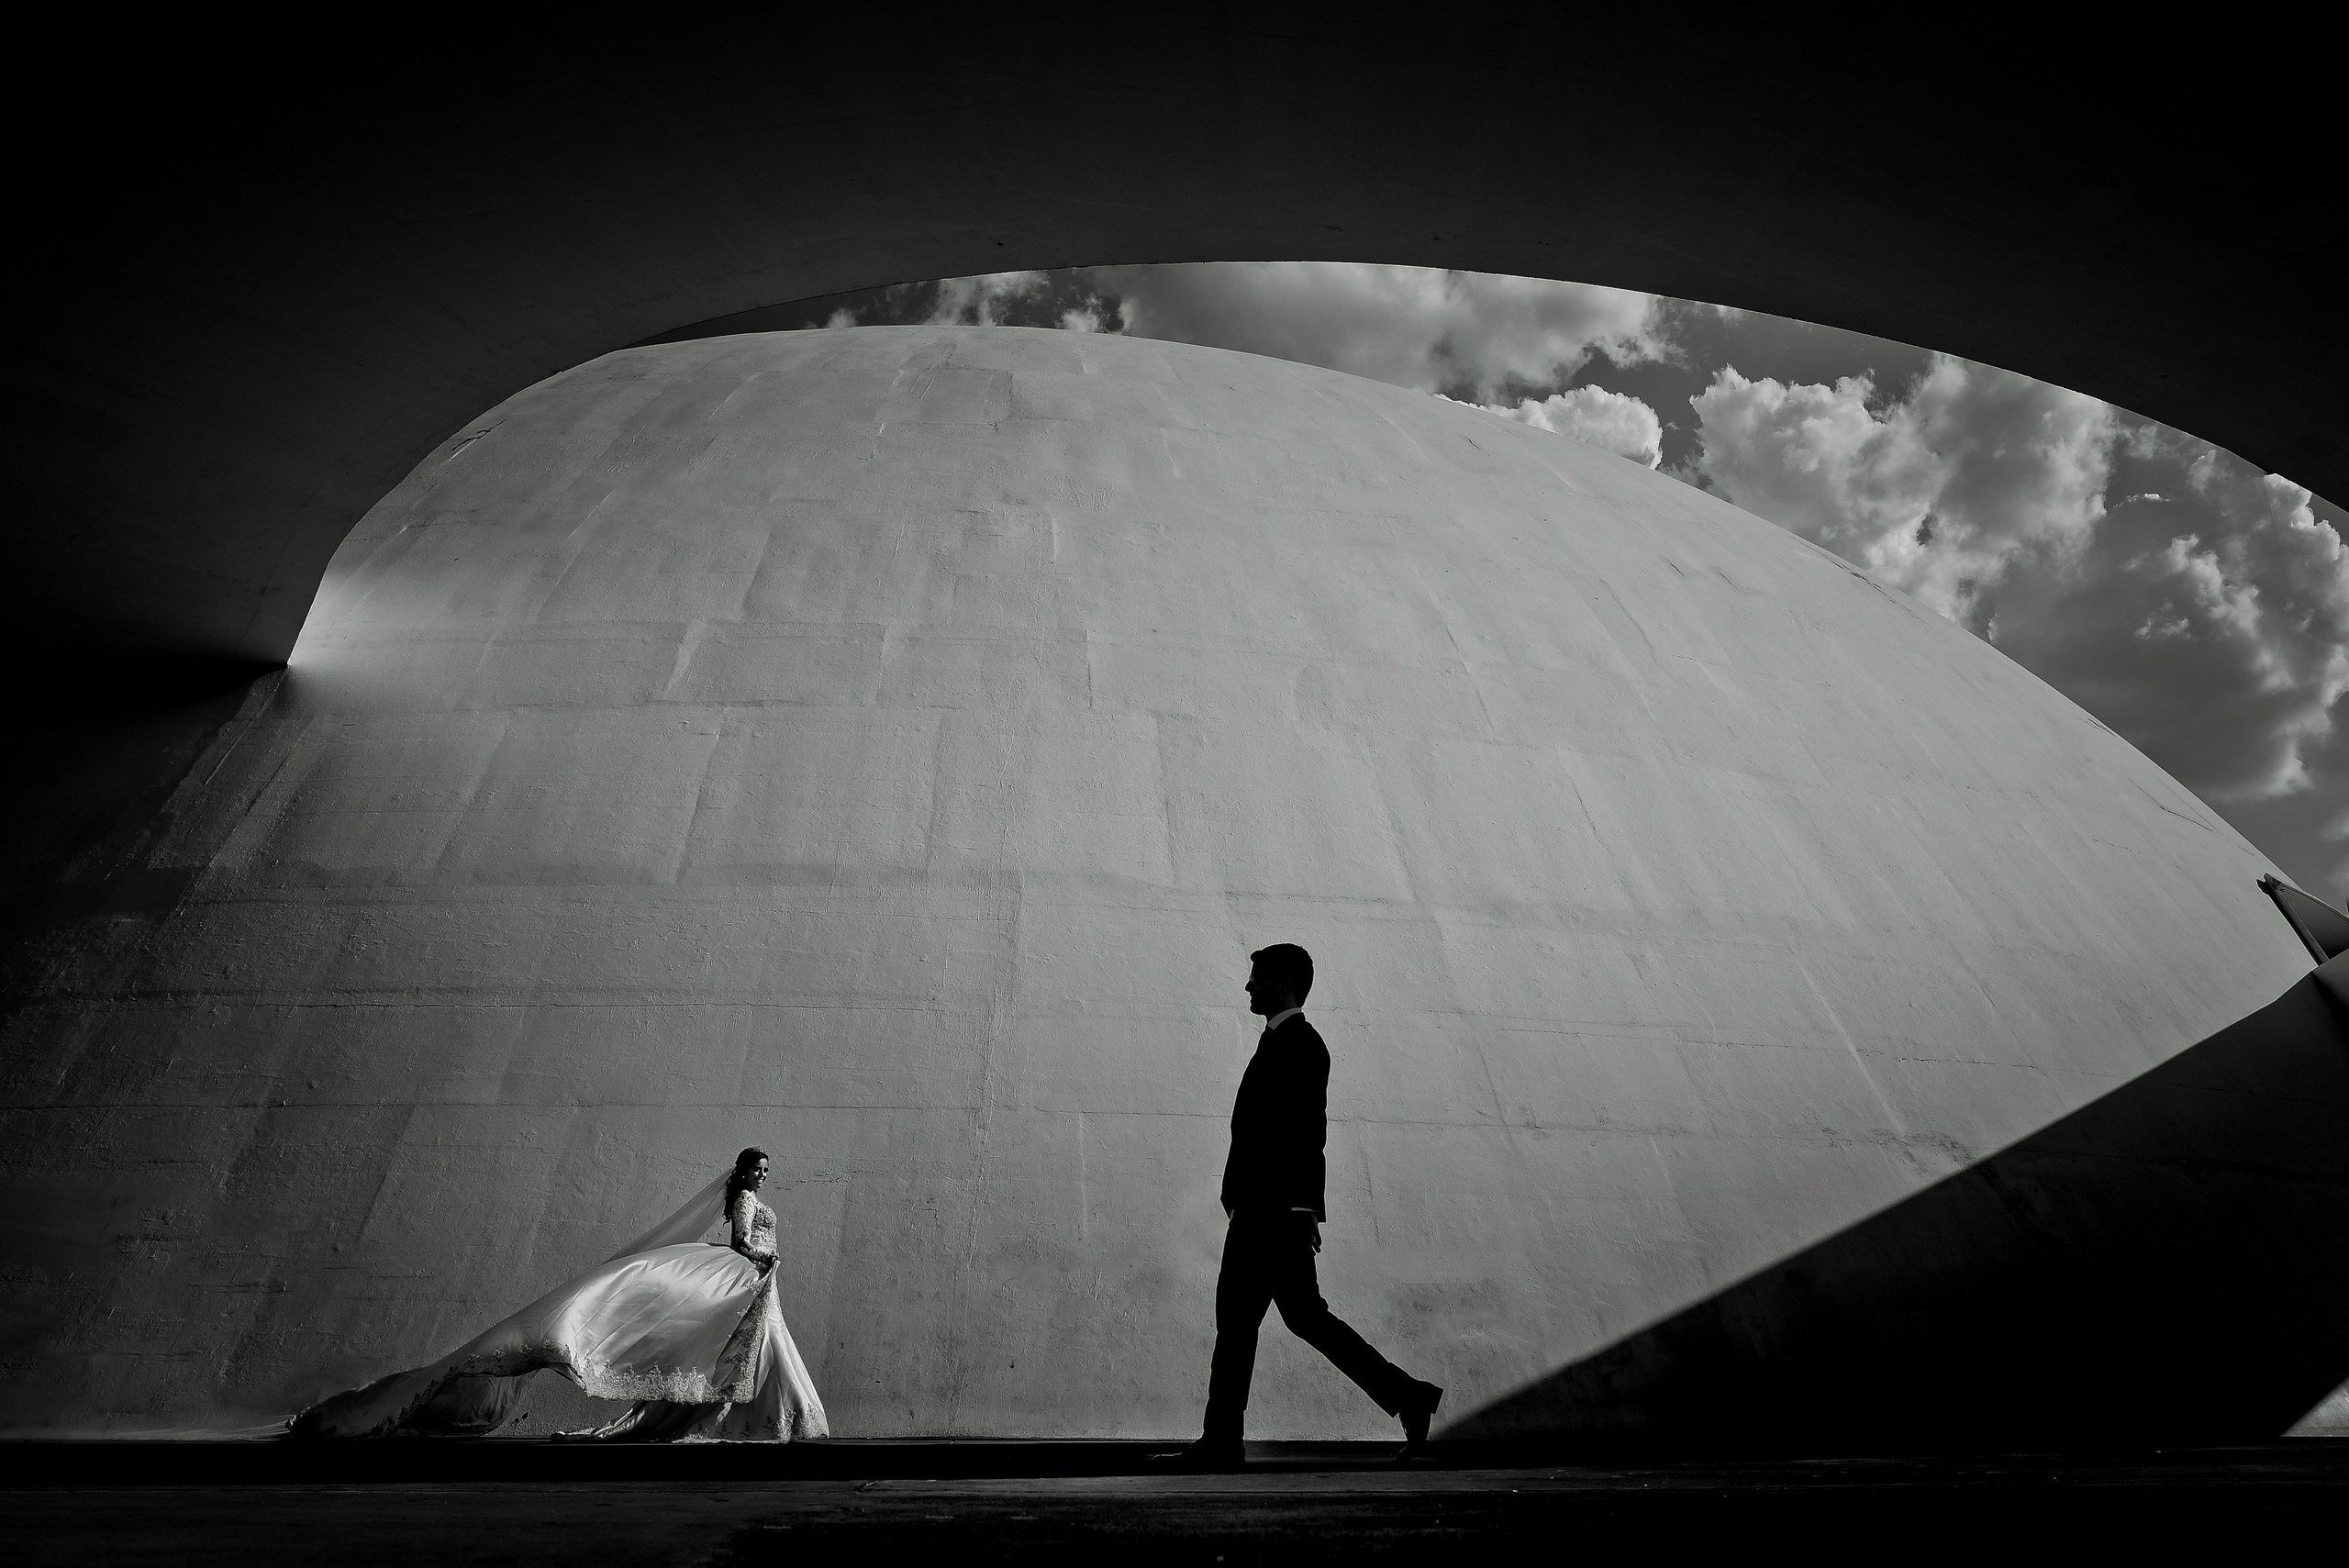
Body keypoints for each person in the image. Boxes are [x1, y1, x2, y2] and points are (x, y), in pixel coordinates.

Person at [287, 1147, 828, 1442]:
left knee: (759, 1347)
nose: (762, 1175)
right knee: (746, 1347)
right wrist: (763, 1257)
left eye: (765, 1170)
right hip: (748, 1273)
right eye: (757, 1168)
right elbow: (741, 1241)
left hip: (758, 1280)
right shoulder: (743, 1201)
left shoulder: (754, 1198)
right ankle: (758, 1418)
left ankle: (764, 1417)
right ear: (743, 1171)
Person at [1163, 943, 1442, 1469]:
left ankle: (1221, 1442)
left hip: (1270, 1214)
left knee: (1242, 1322)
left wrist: (1300, 1209)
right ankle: (1408, 1396)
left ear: (1286, 982)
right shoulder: (1279, 1042)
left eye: (1258, 978)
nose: (1248, 987)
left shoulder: (1301, 1045)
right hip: (1264, 1210)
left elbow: (1307, 1131)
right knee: (1301, 1318)